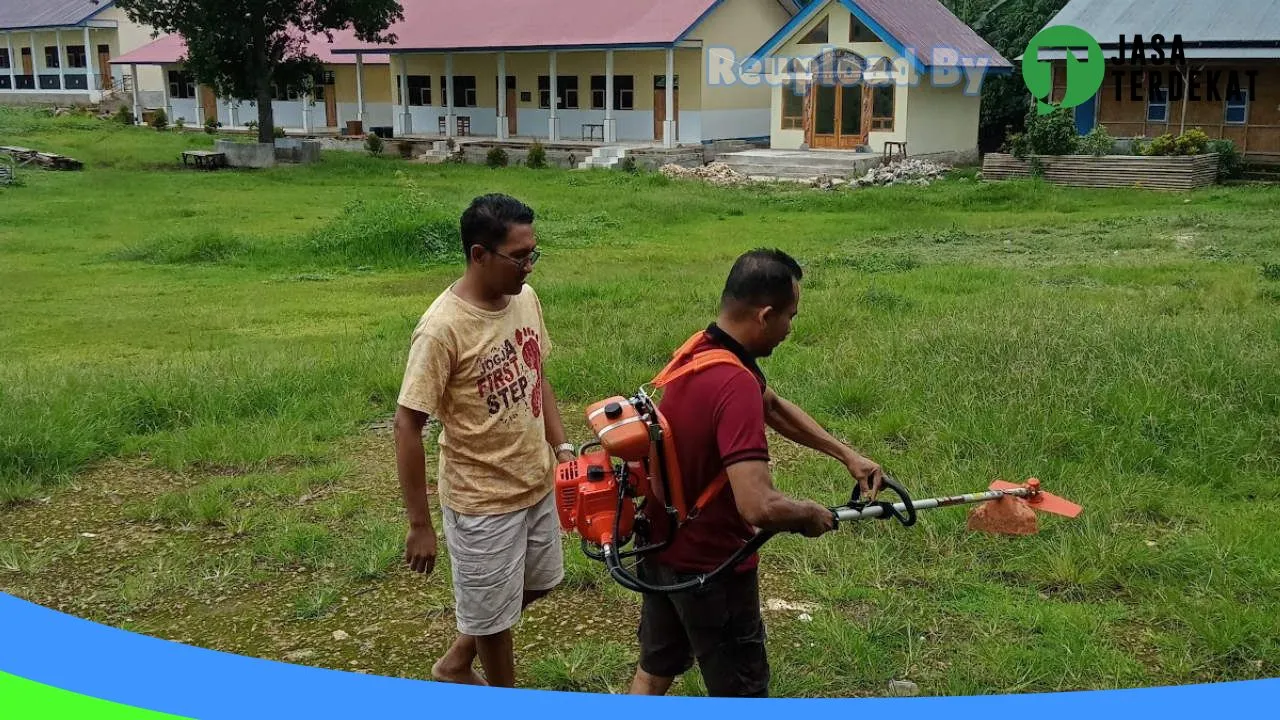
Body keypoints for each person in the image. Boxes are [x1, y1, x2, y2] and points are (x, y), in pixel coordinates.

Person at [627, 248, 886, 698]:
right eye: (790, 316)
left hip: (661, 550)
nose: (791, 328)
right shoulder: (733, 383)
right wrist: (808, 514)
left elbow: (773, 405)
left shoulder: (702, 352)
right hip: (712, 570)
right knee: (742, 693)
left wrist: (845, 454)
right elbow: (759, 505)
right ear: (765, 315)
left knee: (655, 670)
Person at [393, 193, 576, 689]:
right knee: (494, 624)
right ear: (478, 255)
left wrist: (561, 451)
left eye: (533, 253)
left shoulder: (526, 300)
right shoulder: (442, 329)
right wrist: (419, 525)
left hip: (534, 482)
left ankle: (454, 661)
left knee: (539, 582)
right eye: (520, 257)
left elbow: (537, 373)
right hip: (481, 501)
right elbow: (407, 424)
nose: (529, 267)